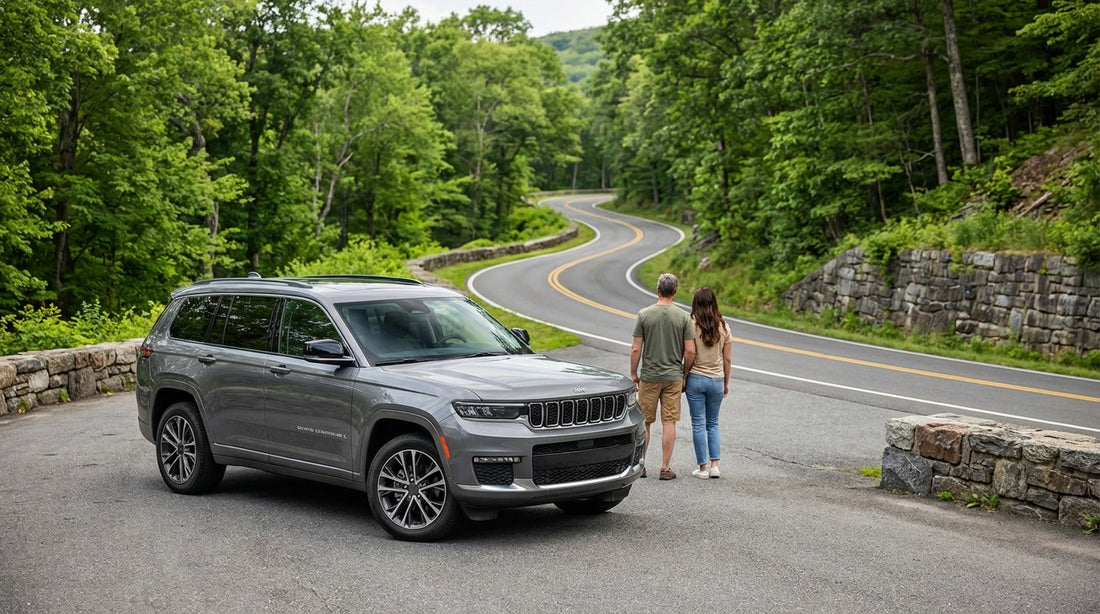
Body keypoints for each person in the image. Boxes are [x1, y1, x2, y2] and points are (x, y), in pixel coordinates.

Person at [630, 273, 696, 481]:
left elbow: (635, 348)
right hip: (673, 376)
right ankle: (665, 467)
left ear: (658, 290)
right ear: (675, 292)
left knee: (646, 422)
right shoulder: (684, 317)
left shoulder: (644, 315)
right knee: (669, 421)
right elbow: (691, 351)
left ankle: (641, 466)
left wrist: (634, 373)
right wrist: (684, 374)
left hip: (649, 376)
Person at [684, 287, 732, 479]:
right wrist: (726, 382)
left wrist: (684, 375)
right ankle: (715, 466)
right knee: (713, 423)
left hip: (695, 377)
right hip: (717, 379)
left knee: (698, 424)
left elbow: (689, 353)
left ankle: (702, 468)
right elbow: (727, 359)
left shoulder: (691, 325)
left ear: (696, 303)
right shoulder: (724, 326)